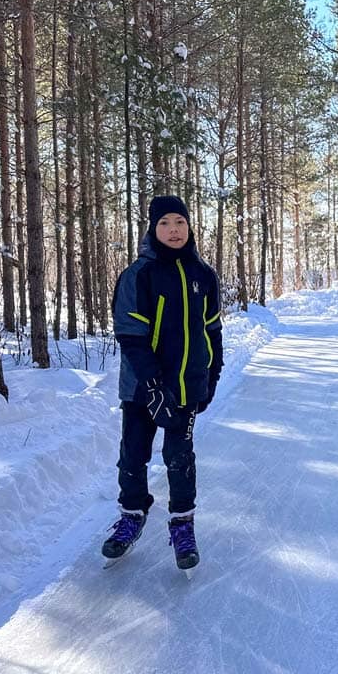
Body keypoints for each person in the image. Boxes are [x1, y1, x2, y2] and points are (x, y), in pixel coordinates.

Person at [102, 195, 223, 570]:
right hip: (142, 390)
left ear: (190, 227)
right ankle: (132, 515)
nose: (174, 230)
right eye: (166, 223)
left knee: (180, 458)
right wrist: (153, 384)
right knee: (134, 454)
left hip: (186, 388)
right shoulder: (139, 274)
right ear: (153, 229)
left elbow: (212, 330)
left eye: (180, 223)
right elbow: (131, 335)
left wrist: (212, 374)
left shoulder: (203, 274)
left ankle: (182, 525)